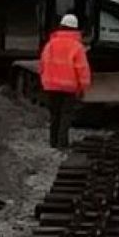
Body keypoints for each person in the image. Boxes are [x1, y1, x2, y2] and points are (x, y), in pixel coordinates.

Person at [40, 14, 92, 149]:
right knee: (66, 115)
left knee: (54, 115)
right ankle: (62, 144)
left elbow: (42, 65)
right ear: (75, 29)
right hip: (69, 88)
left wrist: (45, 82)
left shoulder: (50, 44)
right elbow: (82, 69)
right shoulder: (77, 46)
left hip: (51, 86)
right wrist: (83, 87)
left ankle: (53, 142)